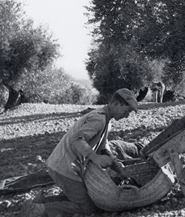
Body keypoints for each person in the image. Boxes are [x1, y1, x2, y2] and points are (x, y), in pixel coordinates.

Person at [21, 88, 139, 217]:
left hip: (64, 166)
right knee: (87, 209)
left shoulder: (105, 120)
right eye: (127, 111)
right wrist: (95, 157)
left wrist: (118, 169)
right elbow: (76, 139)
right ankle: (39, 209)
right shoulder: (99, 119)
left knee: (84, 198)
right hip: (64, 168)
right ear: (116, 104)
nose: (127, 116)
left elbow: (104, 147)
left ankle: (41, 201)